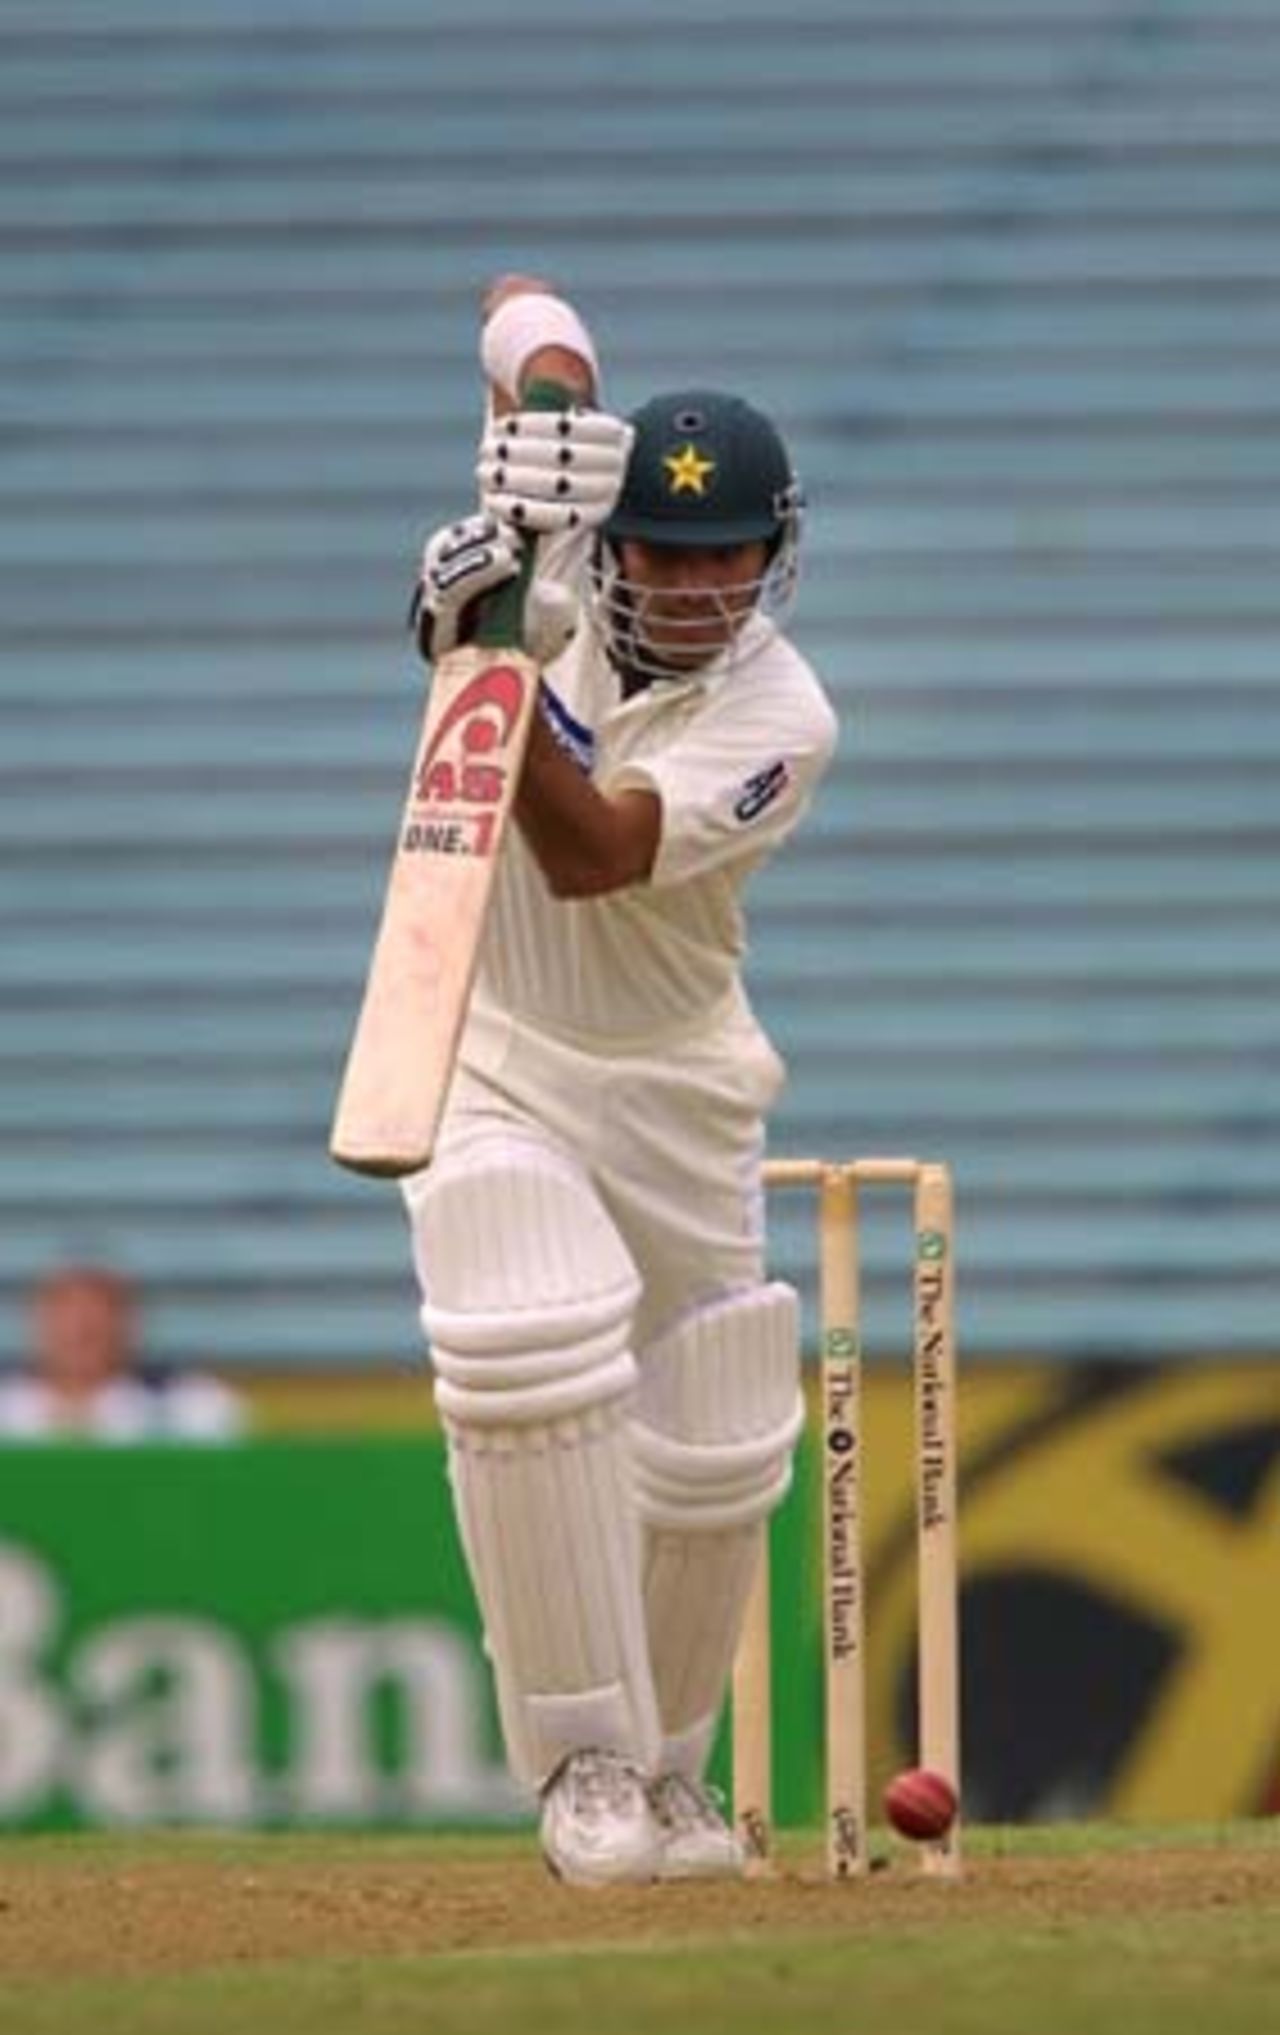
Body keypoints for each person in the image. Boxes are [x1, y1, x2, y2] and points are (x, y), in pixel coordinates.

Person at [401, 275, 837, 1885]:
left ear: (771, 559)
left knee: (721, 1420)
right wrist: (557, 411)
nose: (699, 586)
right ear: (616, 538)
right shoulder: (555, 546)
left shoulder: (783, 713)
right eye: (666, 550)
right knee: (525, 1331)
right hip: (502, 1046)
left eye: (729, 559)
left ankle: (668, 1778)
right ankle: (580, 1763)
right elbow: (518, 305)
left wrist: (478, 649)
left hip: (679, 1081)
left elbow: (586, 855)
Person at [0, 1263, 246, 1443]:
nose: (80, 1334)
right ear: (38, 1325)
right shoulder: (8, 1405)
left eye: (95, 1324)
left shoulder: (191, 1405)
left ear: (130, 1325)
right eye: (66, 1321)